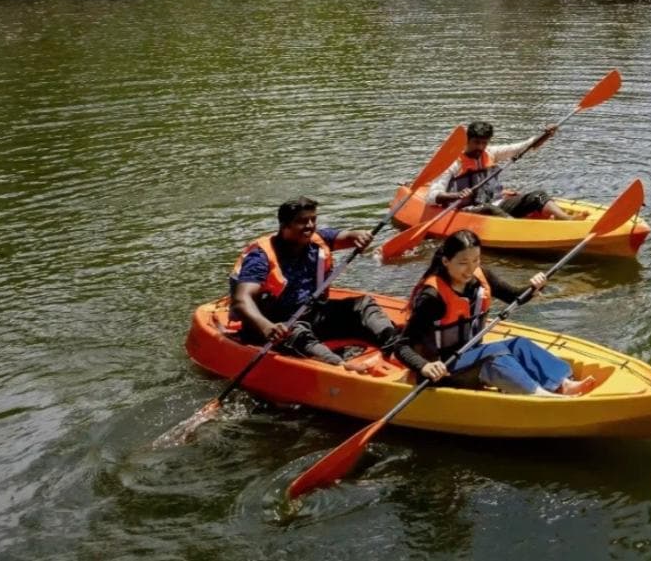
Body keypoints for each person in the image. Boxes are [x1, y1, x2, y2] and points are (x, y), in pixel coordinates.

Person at [395, 230, 597, 396]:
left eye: (476, 260)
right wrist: (424, 367)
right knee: (496, 355)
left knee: (519, 344)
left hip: (469, 356)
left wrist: (535, 287)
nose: (470, 269)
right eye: (463, 263)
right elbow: (402, 346)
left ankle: (562, 384)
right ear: (446, 261)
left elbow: (514, 296)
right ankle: (541, 396)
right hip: (442, 369)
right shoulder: (432, 297)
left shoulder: (480, 277)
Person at [229, 197, 398, 369]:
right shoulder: (260, 257)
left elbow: (347, 237)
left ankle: (394, 344)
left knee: (363, 304)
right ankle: (340, 365)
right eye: (302, 221)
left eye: (313, 219)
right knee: (295, 332)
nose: (310, 225)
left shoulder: (318, 240)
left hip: (312, 313)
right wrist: (266, 326)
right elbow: (242, 299)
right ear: (284, 225)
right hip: (277, 324)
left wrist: (360, 236)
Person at [426, 120, 585, 220]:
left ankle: (566, 219)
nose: (480, 147)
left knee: (538, 195)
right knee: (490, 208)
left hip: (495, 202)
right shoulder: (453, 163)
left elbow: (523, 147)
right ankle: (517, 228)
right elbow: (432, 196)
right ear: (467, 140)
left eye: (484, 143)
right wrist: (456, 195)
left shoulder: (490, 153)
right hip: (467, 210)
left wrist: (545, 135)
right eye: (476, 142)